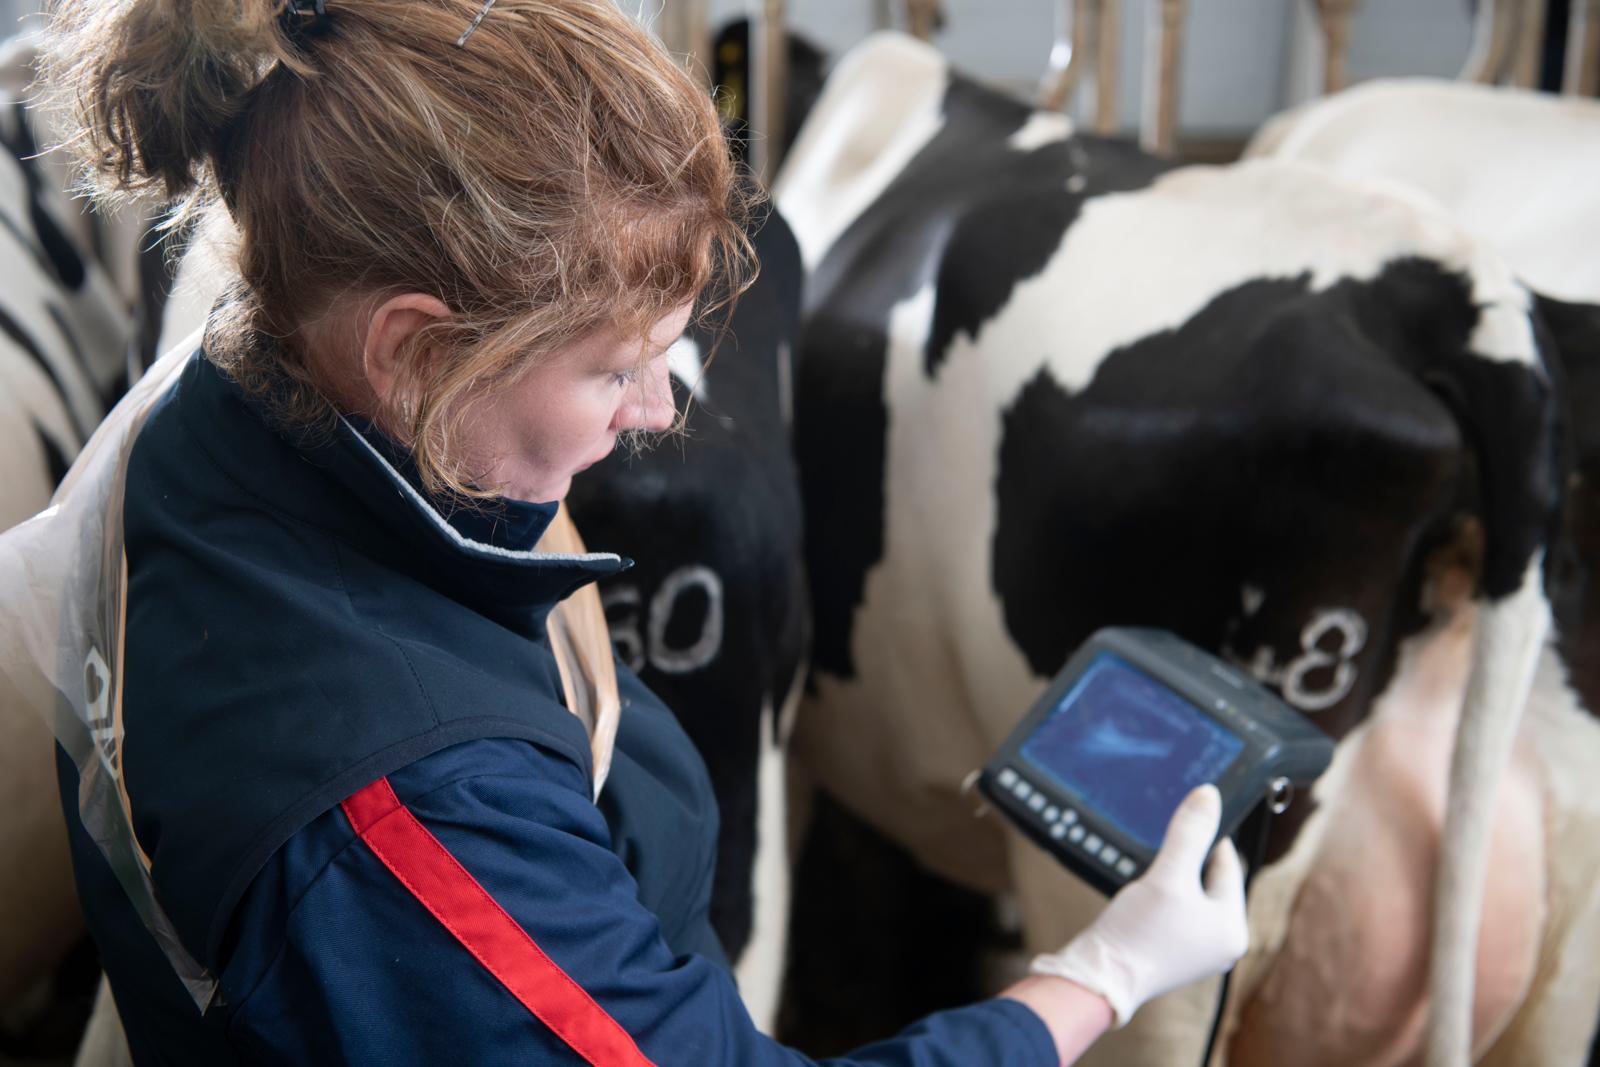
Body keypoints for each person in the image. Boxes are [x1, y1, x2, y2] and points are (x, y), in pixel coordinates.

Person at [39, 1, 1249, 1063]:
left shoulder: (195, 418)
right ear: (409, 352)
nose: (662, 408)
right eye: (614, 368)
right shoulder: (407, 824)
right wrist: (1100, 975)